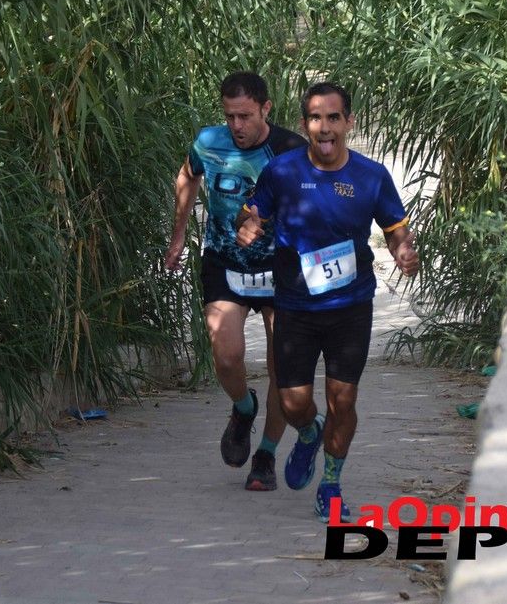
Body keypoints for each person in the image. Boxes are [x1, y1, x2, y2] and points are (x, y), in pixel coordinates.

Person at [235, 81, 418, 521]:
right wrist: (248, 225)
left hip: (350, 307)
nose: (324, 127)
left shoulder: (371, 176)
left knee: (344, 401)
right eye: (316, 118)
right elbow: (251, 210)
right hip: (295, 308)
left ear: (348, 123)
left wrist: (404, 250)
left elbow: (396, 228)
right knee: (295, 402)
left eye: (333, 117)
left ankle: (331, 484)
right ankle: (309, 433)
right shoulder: (281, 172)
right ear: (305, 124)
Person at [166, 72, 307, 491]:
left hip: (282, 269)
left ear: (266, 108)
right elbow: (187, 177)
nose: (237, 126)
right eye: (230, 117)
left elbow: (313, 207)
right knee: (226, 356)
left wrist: (272, 223)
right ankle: (244, 408)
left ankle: (265, 455)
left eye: (245, 116)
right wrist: (177, 237)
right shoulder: (209, 142)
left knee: (284, 368)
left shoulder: (290, 151)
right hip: (225, 262)